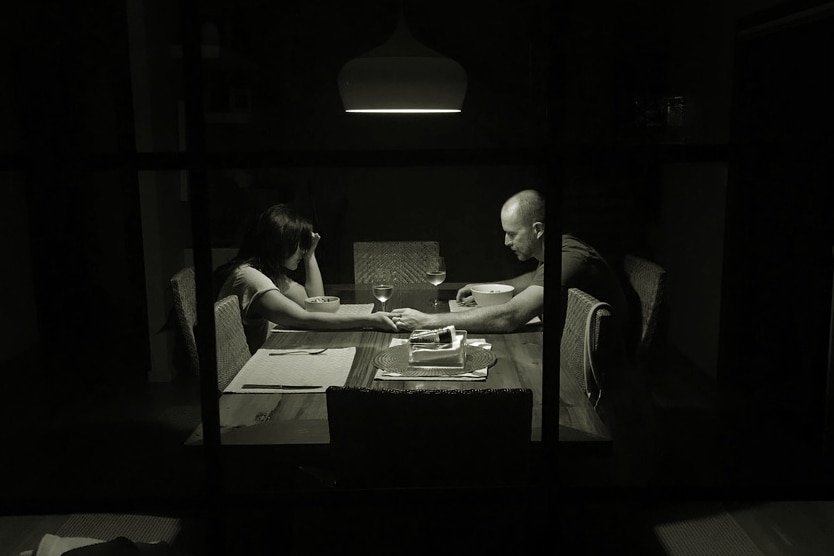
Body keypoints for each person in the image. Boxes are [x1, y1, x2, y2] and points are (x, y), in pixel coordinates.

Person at [215, 204, 397, 352]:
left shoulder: (267, 271)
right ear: (281, 244)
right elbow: (303, 317)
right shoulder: (250, 277)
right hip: (254, 366)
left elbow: (314, 303)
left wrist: (310, 255)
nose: (302, 249)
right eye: (299, 243)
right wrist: (370, 320)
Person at [390, 189, 545, 333]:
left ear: (538, 229)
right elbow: (535, 278)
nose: (506, 242)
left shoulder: (565, 254)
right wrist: (485, 289)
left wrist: (425, 321)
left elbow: (509, 317)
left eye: (512, 234)